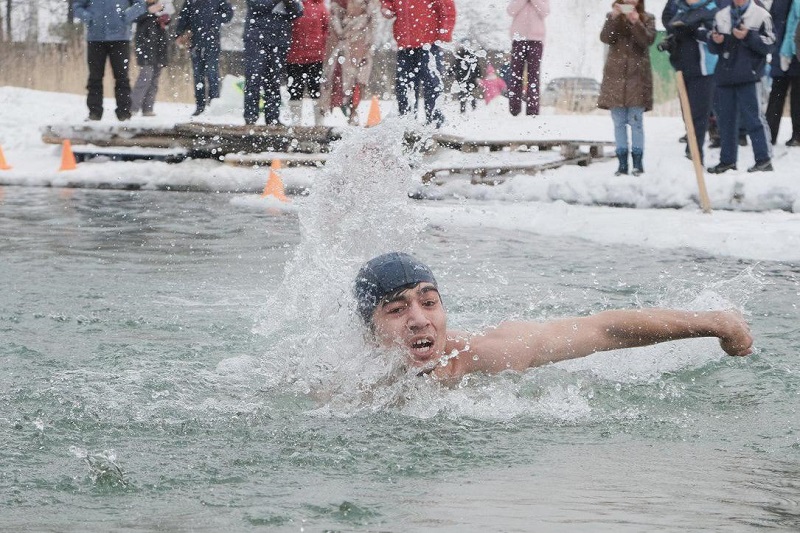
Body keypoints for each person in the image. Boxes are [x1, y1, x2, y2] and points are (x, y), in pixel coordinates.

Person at [353, 252, 754, 383]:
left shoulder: (481, 355)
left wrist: (716, 323)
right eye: (397, 309)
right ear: (369, 330)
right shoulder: (349, 387)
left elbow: (604, 329)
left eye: (429, 302)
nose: (420, 319)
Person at [706, 0, 775, 173]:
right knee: (726, 121)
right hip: (725, 75)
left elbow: (770, 44)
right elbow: (713, 48)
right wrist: (716, 41)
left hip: (749, 76)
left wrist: (748, 36)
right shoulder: (721, 15)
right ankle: (727, 160)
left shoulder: (761, 15)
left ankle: (763, 160)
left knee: (754, 119)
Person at [598, 0, 656, 177]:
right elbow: (606, 38)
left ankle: (638, 164)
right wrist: (614, 18)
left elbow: (647, 40)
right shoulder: (612, 17)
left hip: (638, 79)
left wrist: (636, 22)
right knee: (619, 123)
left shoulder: (647, 18)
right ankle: (622, 164)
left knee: (636, 123)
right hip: (615, 78)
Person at [381, 0, 456, 128]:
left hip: (429, 43)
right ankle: (406, 121)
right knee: (403, 84)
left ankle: (434, 121)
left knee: (431, 82)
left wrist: (445, 32)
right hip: (405, 44)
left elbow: (447, 8)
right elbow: (388, 2)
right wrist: (386, 7)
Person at [661, 0, 720, 164]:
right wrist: (672, 41)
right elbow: (671, 27)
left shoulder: (711, 10)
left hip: (703, 70)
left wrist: (693, 31)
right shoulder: (681, 10)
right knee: (687, 113)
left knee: (699, 114)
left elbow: (714, 38)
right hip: (683, 69)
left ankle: (696, 154)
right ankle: (691, 150)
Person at [72, 0, 151, 121]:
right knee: (94, 77)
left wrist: (126, 17)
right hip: (95, 38)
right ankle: (94, 112)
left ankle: (124, 113)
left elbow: (140, 4)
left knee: (122, 77)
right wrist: (89, 18)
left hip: (120, 38)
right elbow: (77, 7)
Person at [243, 0, 304, 125]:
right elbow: (255, 5)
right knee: (254, 77)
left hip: (279, 40)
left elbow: (298, 12)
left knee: (273, 80)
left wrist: (289, 3)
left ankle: (272, 117)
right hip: (256, 38)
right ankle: (250, 117)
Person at [175, 0, 234, 117]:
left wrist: (216, 19)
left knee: (212, 74)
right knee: (198, 75)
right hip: (195, 42)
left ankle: (214, 105)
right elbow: (183, 17)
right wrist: (179, 33)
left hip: (212, 41)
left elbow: (229, 14)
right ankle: (200, 106)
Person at [286, 0, 329, 126]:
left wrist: (321, 45)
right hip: (294, 56)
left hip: (315, 56)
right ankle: (296, 122)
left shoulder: (319, 6)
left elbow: (326, 28)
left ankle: (319, 122)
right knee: (295, 89)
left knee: (316, 89)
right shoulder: (292, 5)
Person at [506, 0, 550, 117]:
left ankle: (533, 110)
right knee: (516, 74)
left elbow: (545, 12)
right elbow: (510, 11)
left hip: (536, 41)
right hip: (518, 39)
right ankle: (514, 108)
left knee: (533, 75)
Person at [131, 0, 174, 117]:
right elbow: (132, 17)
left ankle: (148, 108)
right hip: (145, 44)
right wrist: (149, 11)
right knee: (146, 75)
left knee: (155, 77)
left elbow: (168, 20)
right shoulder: (139, 4)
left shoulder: (163, 4)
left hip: (160, 44)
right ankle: (132, 107)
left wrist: (165, 19)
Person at [767, 0, 800, 146]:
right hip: (780, 52)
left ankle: (797, 135)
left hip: (796, 53)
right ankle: (769, 134)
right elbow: (771, 23)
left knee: (797, 97)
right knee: (776, 94)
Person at [451, 39, 482, 113]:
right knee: (468, 92)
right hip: (468, 78)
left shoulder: (461, 55)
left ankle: (464, 108)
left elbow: (455, 65)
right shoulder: (470, 54)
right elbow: (477, 67)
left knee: (463, 93)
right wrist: (478, 76)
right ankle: (471, 107)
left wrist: (450, 72)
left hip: (463, 78)